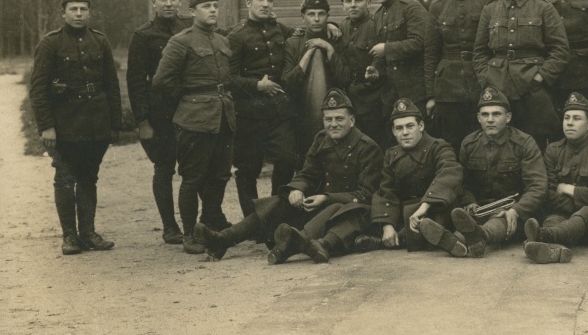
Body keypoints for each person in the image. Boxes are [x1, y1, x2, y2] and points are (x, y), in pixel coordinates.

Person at [194, 88, 383, 264]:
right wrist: (297, 189)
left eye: (339, 119)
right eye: (328, 119)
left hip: (346, 213)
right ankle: (224, 238)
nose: (333, 124)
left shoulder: (368, 148)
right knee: (278, 202)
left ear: (352, 120)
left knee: (336, 209)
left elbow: (366, 195)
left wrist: (326, 198)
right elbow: (307, 173)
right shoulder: (321, 139)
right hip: (320, 205)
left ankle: (292, 244)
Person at [29, 0, 122, 255]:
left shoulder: (100, 41)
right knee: (65, 178)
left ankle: (89, 233)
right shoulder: (50, 43)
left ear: (90, 12)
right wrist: (46, 126)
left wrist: (114, 124)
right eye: (73, 9)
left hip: (96, 124)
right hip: (65, 125)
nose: (79, 13)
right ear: (63, 13)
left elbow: (111, 84)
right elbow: (38, 89)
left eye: (83, 9)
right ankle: (69, 237)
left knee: (89, 178)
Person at [152, 0, 235, 254]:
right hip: (194, 120)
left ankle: (208, 224)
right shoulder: (181, 41)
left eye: (215, 5)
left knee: (220, 175)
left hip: (223, 117)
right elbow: (162, 81)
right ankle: (189, 233)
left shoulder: (222, 40)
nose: (212, 10)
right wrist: (188, 102)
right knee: (193, 178)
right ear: (191, 11)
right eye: (205, 6)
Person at [421, 87, 547, 258]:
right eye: (485, 115)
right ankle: (457, 242)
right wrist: (469, 201)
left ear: (508, 117)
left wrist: (516, 210)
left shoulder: (524, 143)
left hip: (514, 211)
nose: (490, 120)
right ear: (478, 118)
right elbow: (462, 182)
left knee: (499, 220)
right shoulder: (469, 143)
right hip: (481, 210)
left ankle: (471, 238)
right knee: (468, 221)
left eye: (496, 114)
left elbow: (537, 186)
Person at [473, 0, 570, 148]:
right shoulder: (491, 9)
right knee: (502, 141)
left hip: (532, 86)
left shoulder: (543, 7)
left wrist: (541, 77)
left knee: (535, 141)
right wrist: (487, 78)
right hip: (498, 85)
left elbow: (560, 50)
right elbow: (480, 51)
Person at [226, 0, 299, 218]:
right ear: (248, 2)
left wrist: (328, 27)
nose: (266, 4)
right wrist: (257, 85)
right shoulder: (236, 36)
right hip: (249, 115)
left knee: (287, 160)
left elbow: (302, 34)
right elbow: (228, 78)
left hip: (279, 112)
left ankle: (277, 215)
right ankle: (254, 221)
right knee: (248, 170)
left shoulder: (281, 30)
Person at [126, 0, 191, 245]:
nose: (168, 3)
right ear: (153, 3)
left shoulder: (190, 29)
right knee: (164, 168)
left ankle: (194, 223)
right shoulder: (143, 36)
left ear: (180, 1)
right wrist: (143, 121)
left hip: (189, 111)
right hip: (160, 115)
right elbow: (135, 81)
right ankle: (169, 226)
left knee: (193, 168)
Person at [523, 93, 588, 264]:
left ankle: (543, 236)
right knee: (552, 220)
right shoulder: (554, 150)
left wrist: (568, 189)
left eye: (576, 118)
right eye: (566, 118)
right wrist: (585, 196)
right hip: (563, 215)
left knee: (587, 212)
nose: (569, 123)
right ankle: (555, 251)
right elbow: (546, 191)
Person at [361, 99, 463, 253]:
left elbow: (450, 172)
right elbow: (386, 191)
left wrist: (425, 205)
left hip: (435, 209)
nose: (405, 132)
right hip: (408, 215)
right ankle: (439, 240)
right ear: (394, 131)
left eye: (410, 126)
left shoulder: (438, 147)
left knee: (441, 213)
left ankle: (407, 239)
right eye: (399, 128)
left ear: (421, 126)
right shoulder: (391, 155)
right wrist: (387, 226)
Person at [424, 0, 496, 150]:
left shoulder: (487, 2)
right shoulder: (438, 6)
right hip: (447, 87)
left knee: (482, 139)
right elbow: (430, 53)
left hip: (479, 81)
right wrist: (431, 95)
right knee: (451, 141)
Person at [283, 0, 352, 157]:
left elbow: (345, 78)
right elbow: (288, 83)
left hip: (334, 115)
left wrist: (328, 49)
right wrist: (309, 53)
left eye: (321, 14)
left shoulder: (337, 40)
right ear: (303, 17)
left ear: (328, 16)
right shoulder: (293, 43)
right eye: (311, 14)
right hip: (301, 116)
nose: (316, 19)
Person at [364, 0, 428, 126]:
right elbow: (380, 52)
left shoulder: (411, 8)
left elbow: (419, 42)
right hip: (390, 95)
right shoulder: (378, 15)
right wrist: (375, 68)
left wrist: (386, 49)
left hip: (415, 93)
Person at [335, 0, 387, 147]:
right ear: (343, 6)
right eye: (348, 1)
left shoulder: (378, 25)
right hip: (350, 97)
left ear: (368, 3)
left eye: (358, 0)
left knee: (375, 143)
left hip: (373, 97)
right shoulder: (341, 28)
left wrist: (375, 68)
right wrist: (328, 24)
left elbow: (383, 57)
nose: (353, 5)